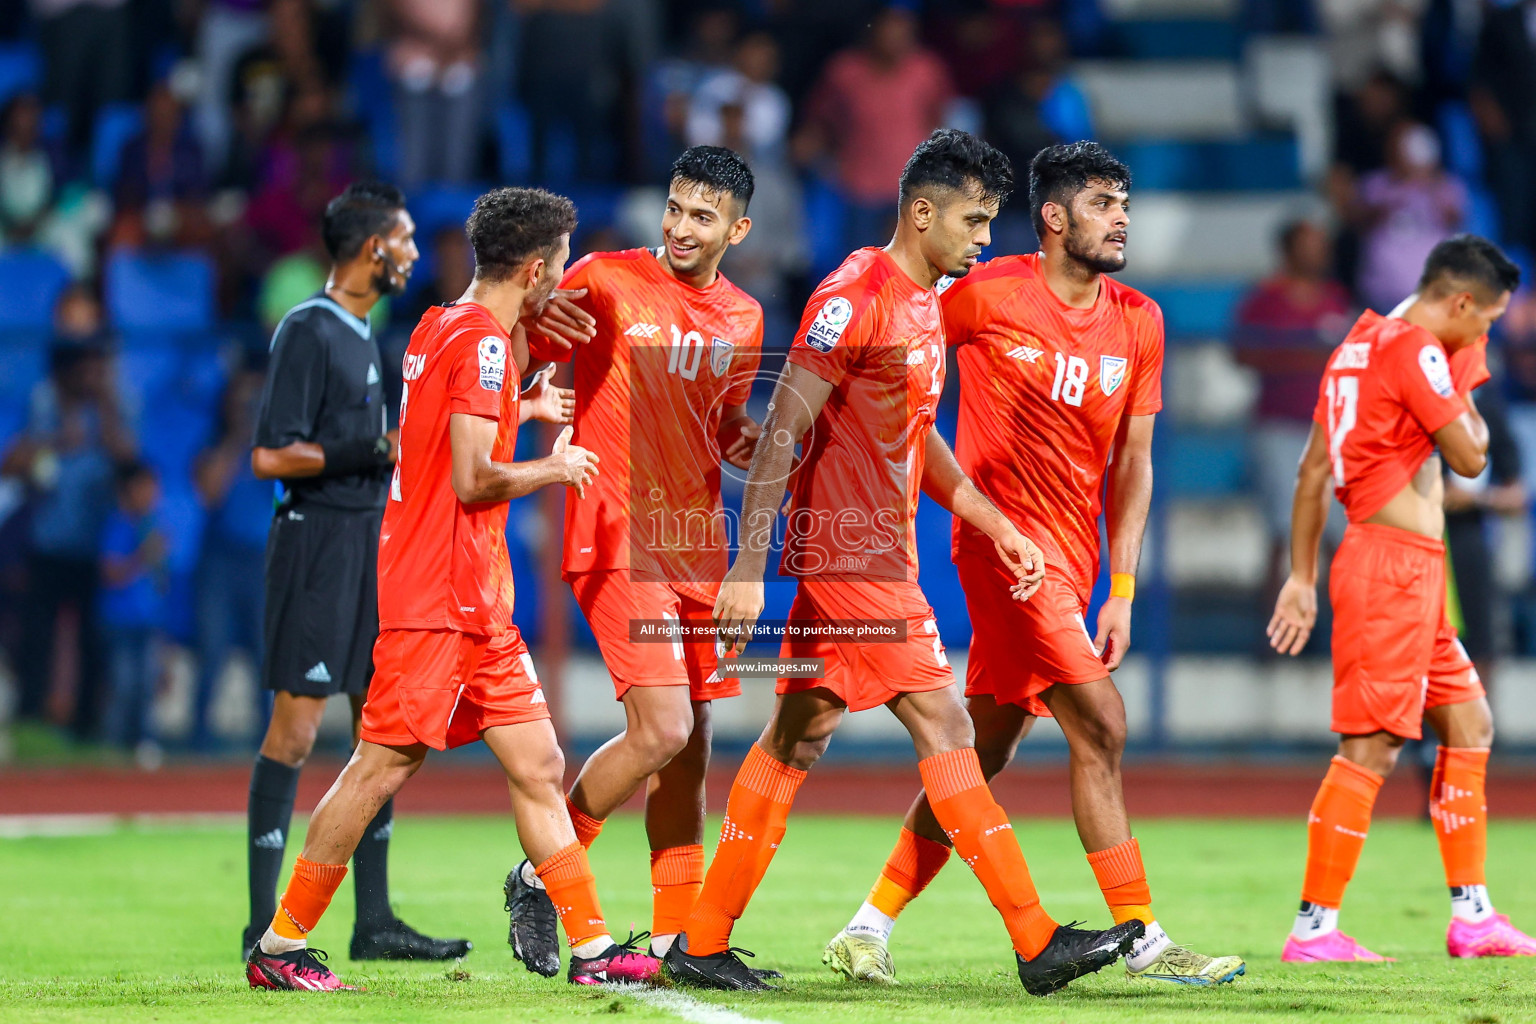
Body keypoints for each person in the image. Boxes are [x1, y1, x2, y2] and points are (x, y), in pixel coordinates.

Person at [663, 129, 1143, 995]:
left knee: (797, 736)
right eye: (972, 220)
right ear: (920, 214)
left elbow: (917, 446)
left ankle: (700, 939)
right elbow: (783, 429)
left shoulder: (926, 300)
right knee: (948, 729)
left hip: (871, 556)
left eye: (991, 222)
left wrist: (994, 523)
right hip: (857, 563)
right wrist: (747, 566)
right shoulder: (856, 296)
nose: (984, 240)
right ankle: (1035, 941)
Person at [820, 141, 1246, 987]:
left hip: (1076, 559)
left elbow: (1135, 465)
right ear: (1053, 219)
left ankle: (865, 926)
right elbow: (890, 347)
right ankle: (1144, 941)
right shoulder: (984, 292)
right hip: (1000, 550)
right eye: (1101, 203)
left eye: (1124, 201)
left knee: (983, 751)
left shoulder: (1141, 319)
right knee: (1103, 723)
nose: (1121, 216)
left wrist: (1120, 588)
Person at [246, 185, 660, 991]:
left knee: (539, 762)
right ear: (537, 267)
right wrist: (556, 464)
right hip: (438, 596)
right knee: (380, 768)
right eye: (563, 260)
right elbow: (471, 480)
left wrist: (523, 398)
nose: (566, 274)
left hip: (475, 598)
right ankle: (281, 945)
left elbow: (447, 431)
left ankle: (593, 950)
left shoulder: (445, 323)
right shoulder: (484, 345)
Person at [504, 146, 766, 974]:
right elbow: (508, 329)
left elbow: (720, 427)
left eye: (703, 216)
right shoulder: (604, 279)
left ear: (737, 228)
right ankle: (542, 873)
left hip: (696, 544)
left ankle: (674, 939)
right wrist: (531, 359)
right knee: (663, 727)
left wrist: (754, 442)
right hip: (616, 529)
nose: (682, 227)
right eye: (675, 208)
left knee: (689, 750)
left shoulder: (746, 319)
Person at [1268, 234, 1536, 960]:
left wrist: (1302, 575)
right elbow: (1473, 457)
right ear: (1458, 302)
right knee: (1373, 747)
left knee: (1470, 723)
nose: (1484, 336)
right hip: (1393, 570)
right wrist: (1461, 381)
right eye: (1484, 321)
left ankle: (1474, 917)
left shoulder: (1356, 345)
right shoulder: (1419, 349)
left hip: (1395, 566)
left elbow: (1314, 469)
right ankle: (1314, 928)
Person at [243, 180, 468, 963]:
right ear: (375, 247)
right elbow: (270, 454)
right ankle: (259, 926)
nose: (413, 253)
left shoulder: (365, 331)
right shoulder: (308, 327)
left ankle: (373, 922)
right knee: (296, 730)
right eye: (405, 240)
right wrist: (374, 450)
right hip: (314, 551)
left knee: (380, 727)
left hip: (371, 551)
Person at [190, 364, 274, 751]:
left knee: (265, 655)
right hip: (221, 559)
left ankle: (270, 744)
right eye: (242, 400)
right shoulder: (216, 446)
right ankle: (199, 741)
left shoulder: (278, 445)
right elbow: (210, 492)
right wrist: (239, 436)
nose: (249, 407)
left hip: (263, 560)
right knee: (212, 650)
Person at [98, 460, 167, 763]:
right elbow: (111, 573)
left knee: (146, 687)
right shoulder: (118, 524)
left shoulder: (152, 525)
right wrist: (143, 554)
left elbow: (160, 582)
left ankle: (143, 743)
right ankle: (113, 744)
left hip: (148, 621)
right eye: (145, 488)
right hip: (120, 622)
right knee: (122, 685)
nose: (151, 495)